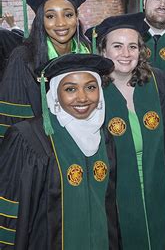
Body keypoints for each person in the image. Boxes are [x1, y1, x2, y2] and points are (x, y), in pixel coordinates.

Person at [87, 12, 165, 250]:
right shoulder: (92, 93)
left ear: (141, 50)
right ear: (103, 51)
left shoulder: (161, 84)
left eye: (132, 46)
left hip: (162, 193)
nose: (126, 53)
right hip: (114, 199)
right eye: (117, 46)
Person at [0, 53, 119, 249]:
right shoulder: (28, 139)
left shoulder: (104, 138)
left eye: (90, 87)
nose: (82, 97)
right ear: (55, 93)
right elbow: (10, 215)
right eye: (70, 89)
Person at [0, 0, 90, 142]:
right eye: (50, 16)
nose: (61, 23)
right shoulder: (23, 58)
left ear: (77, 18)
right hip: (44, 151)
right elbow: (14, 122)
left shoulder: (89, 54)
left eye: (68, 14)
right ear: (41, 20)